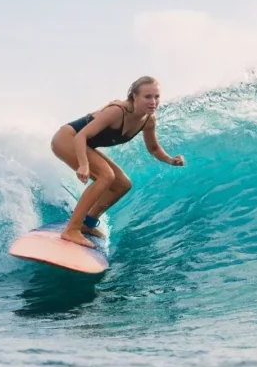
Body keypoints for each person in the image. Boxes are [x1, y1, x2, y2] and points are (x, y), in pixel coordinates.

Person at [50, 76, 185, 248]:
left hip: (83, 143)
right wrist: (84, 165)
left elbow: (154, 149)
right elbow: (81, 136)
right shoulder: (117, 111)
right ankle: (71, 229)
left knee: (122, 184)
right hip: (67, 139)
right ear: (134, 96)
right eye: (147, 97)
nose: (153, 102)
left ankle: (87, 223)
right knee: (106, 176)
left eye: (156, 97)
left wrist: (171, 160)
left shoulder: (148, 120)